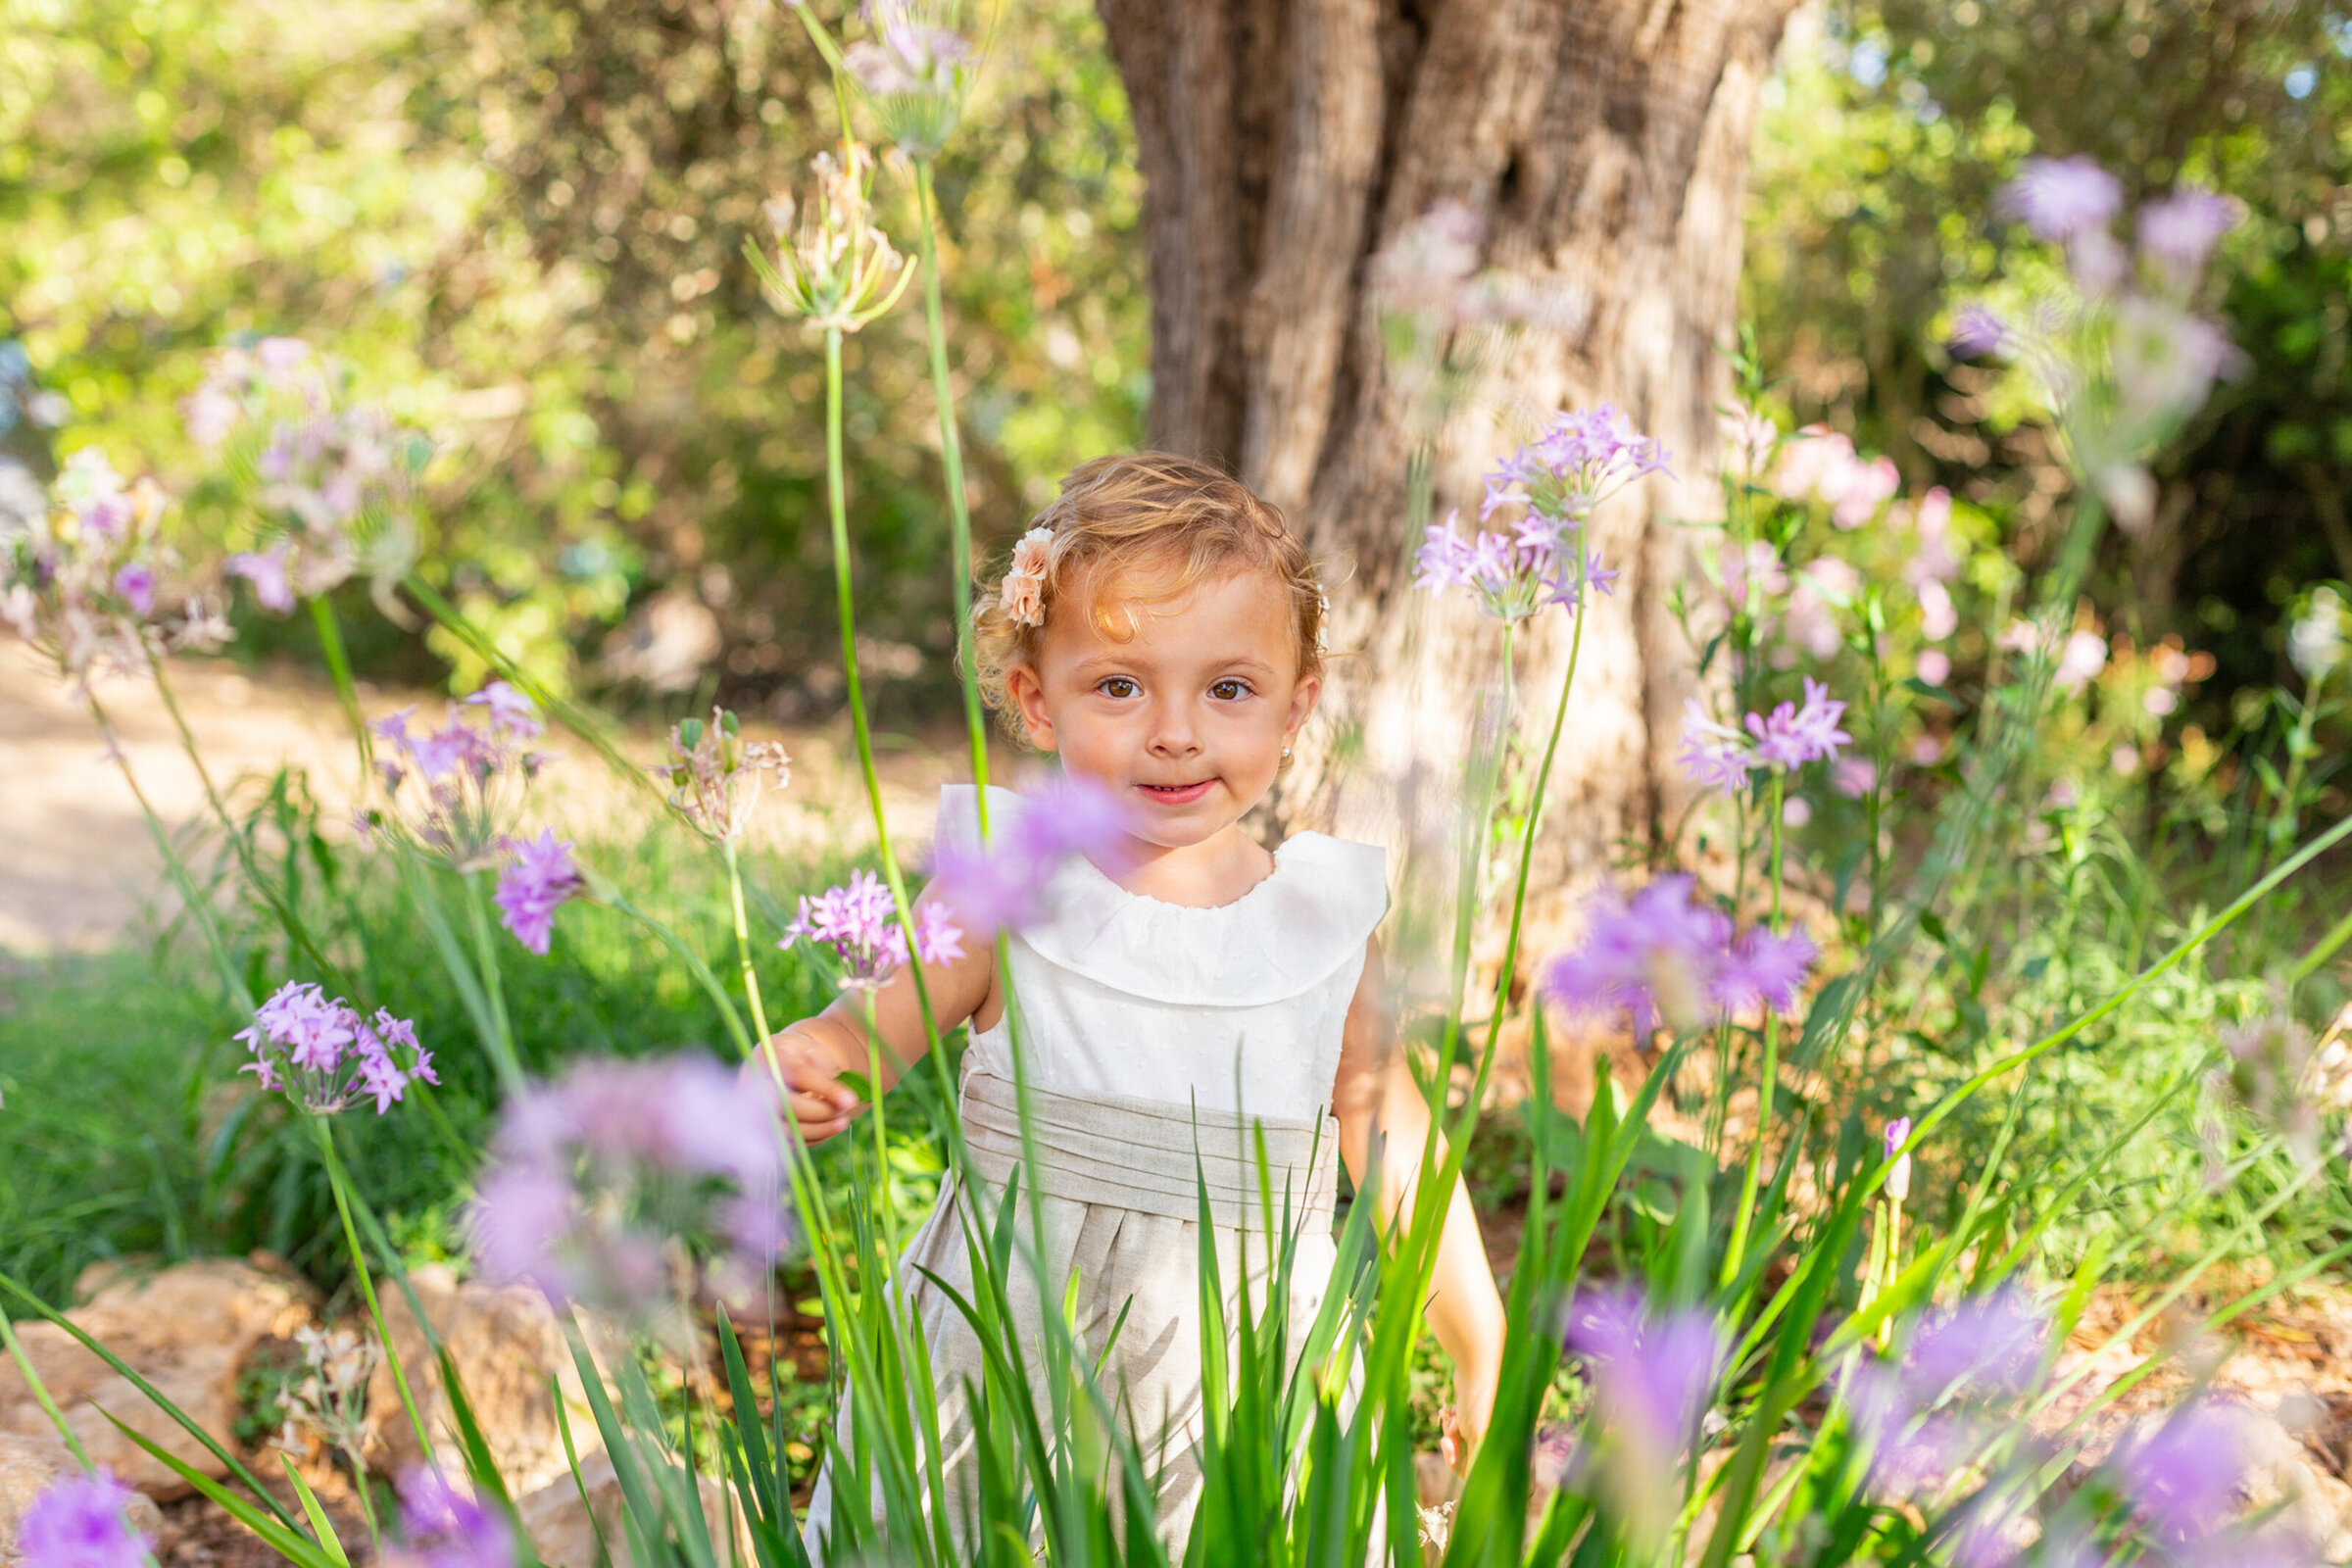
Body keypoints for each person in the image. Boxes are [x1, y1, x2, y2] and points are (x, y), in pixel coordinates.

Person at [762, 452, 1506, 1558]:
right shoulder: (1007, 878)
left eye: (1229, 688)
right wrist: (820, 1054)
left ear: (1298, 705)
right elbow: (886, 1012)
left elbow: (1387, 1135)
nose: (1175, 730)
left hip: (1239, 1368)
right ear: (1034, 698)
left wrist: (1480, 1341)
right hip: (1007, 1348)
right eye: (1119, 684)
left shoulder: (1322, 917)